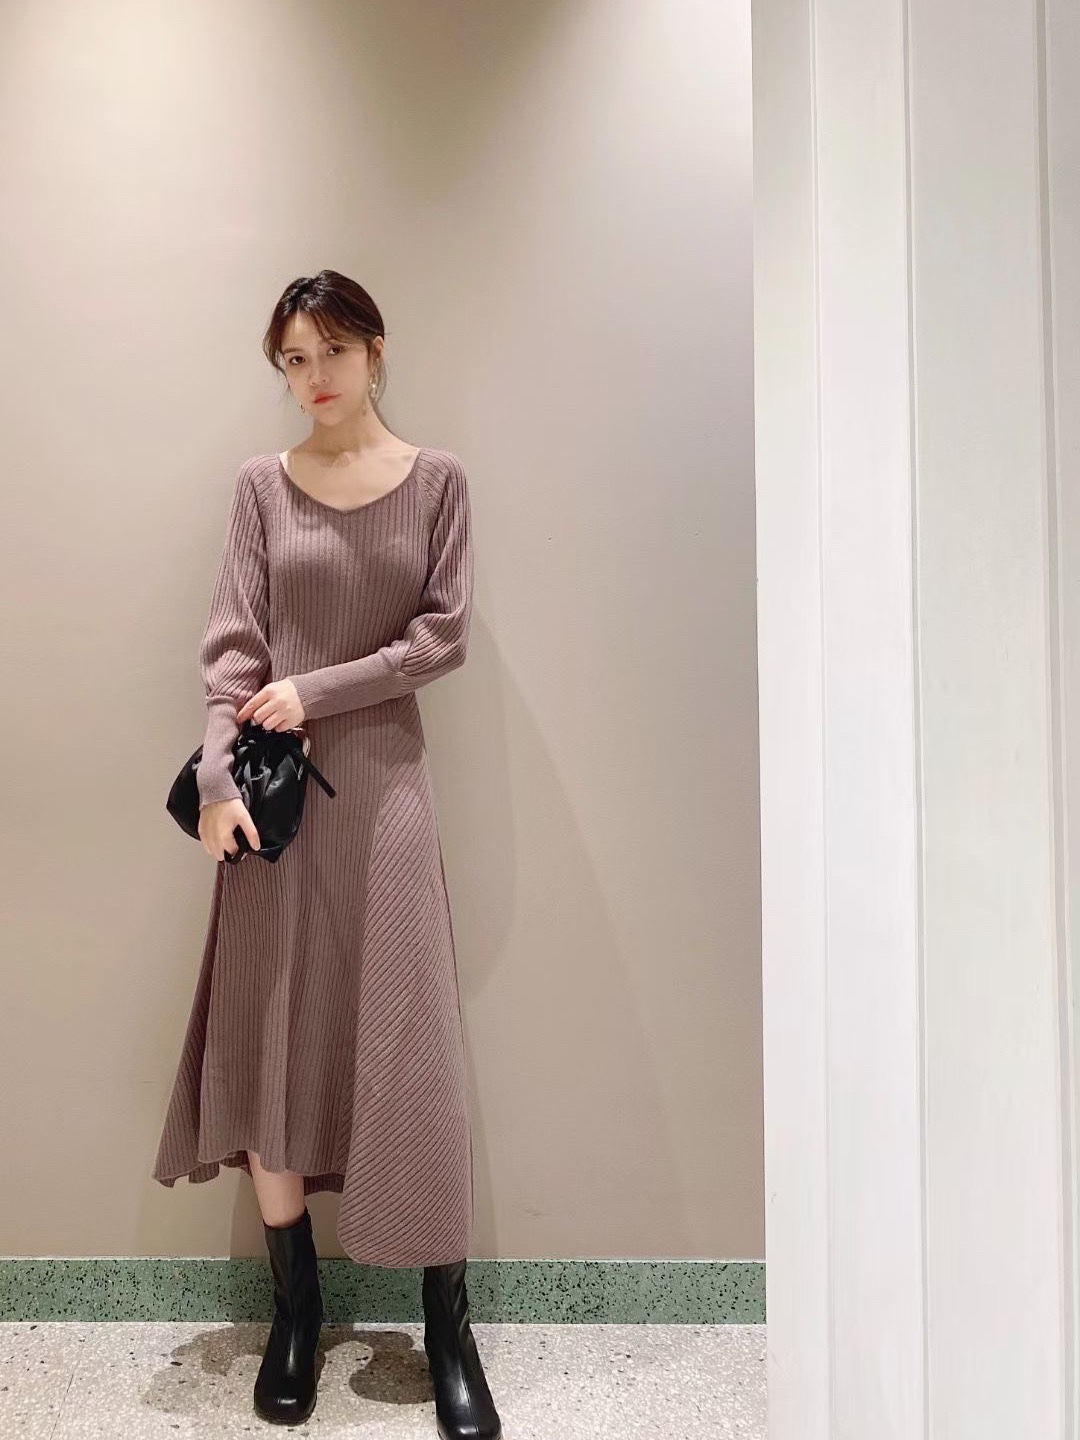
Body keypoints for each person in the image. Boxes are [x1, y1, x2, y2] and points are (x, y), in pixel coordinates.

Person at [151, 269, 501, 1439]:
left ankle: (447, 1325)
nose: (314, 377)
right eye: (294, 360)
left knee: (411, 1046)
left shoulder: (439, 482)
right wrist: (214, 779)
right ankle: (296, 1312)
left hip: (388, 795)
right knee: (274, 1038)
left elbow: (441, 638)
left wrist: (319, 689)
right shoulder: (261, 487)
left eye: (332, 352)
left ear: (376, 349)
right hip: (273, 810)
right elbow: (232, 650)